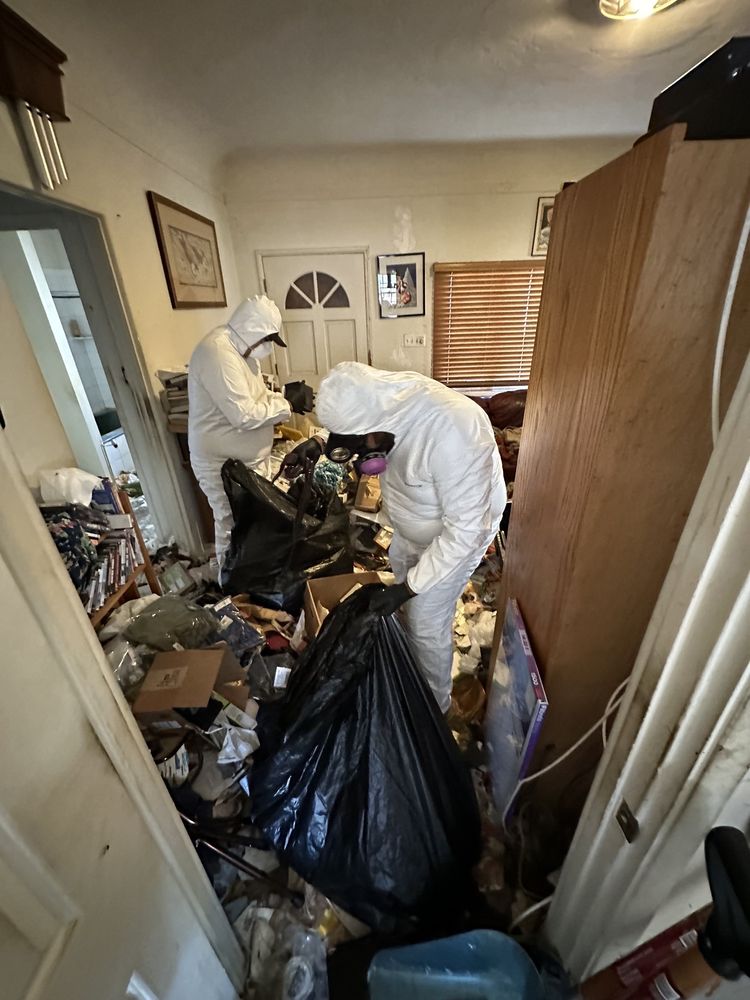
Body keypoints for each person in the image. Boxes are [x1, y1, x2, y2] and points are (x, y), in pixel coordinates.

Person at [281, 362, 507, 714]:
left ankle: (434, 711)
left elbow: (466, 531)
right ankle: (409, 672)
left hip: (459, 535)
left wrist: (410, 587)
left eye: (362, 449)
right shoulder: (381, 400)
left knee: (425, 621)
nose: (363, 460)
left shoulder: (455, 431)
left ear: (377, 427)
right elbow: (354, 422)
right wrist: (321, 442)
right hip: (409, 527)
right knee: (404, 606)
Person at [188, 295, 300, 568]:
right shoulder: (217, 353)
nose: (269, 347)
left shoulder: (244, 353)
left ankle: (252, 574)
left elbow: (258, 397)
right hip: (221, 465)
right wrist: (287, 405)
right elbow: (244, 415)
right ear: (252, 331)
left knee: (254, 522)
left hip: (247, 462)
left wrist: (283, 395)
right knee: (231, 524)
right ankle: (230, 582)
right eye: (268, 340)